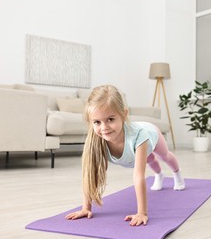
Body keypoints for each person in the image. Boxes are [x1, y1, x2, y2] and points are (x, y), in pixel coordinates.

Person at [65, 85, 185, 226]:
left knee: (163, 156)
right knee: (149, 159)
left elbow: (138, 176)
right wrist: (86, 208)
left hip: (151, 133)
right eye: (97, 122)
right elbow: (91, 173)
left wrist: (142, 213)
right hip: (136, 149)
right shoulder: (97, 140)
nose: (104, 128)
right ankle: (159, 176)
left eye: (110, 119)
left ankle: (177, 175)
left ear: (124, 114)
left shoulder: (140, 136)